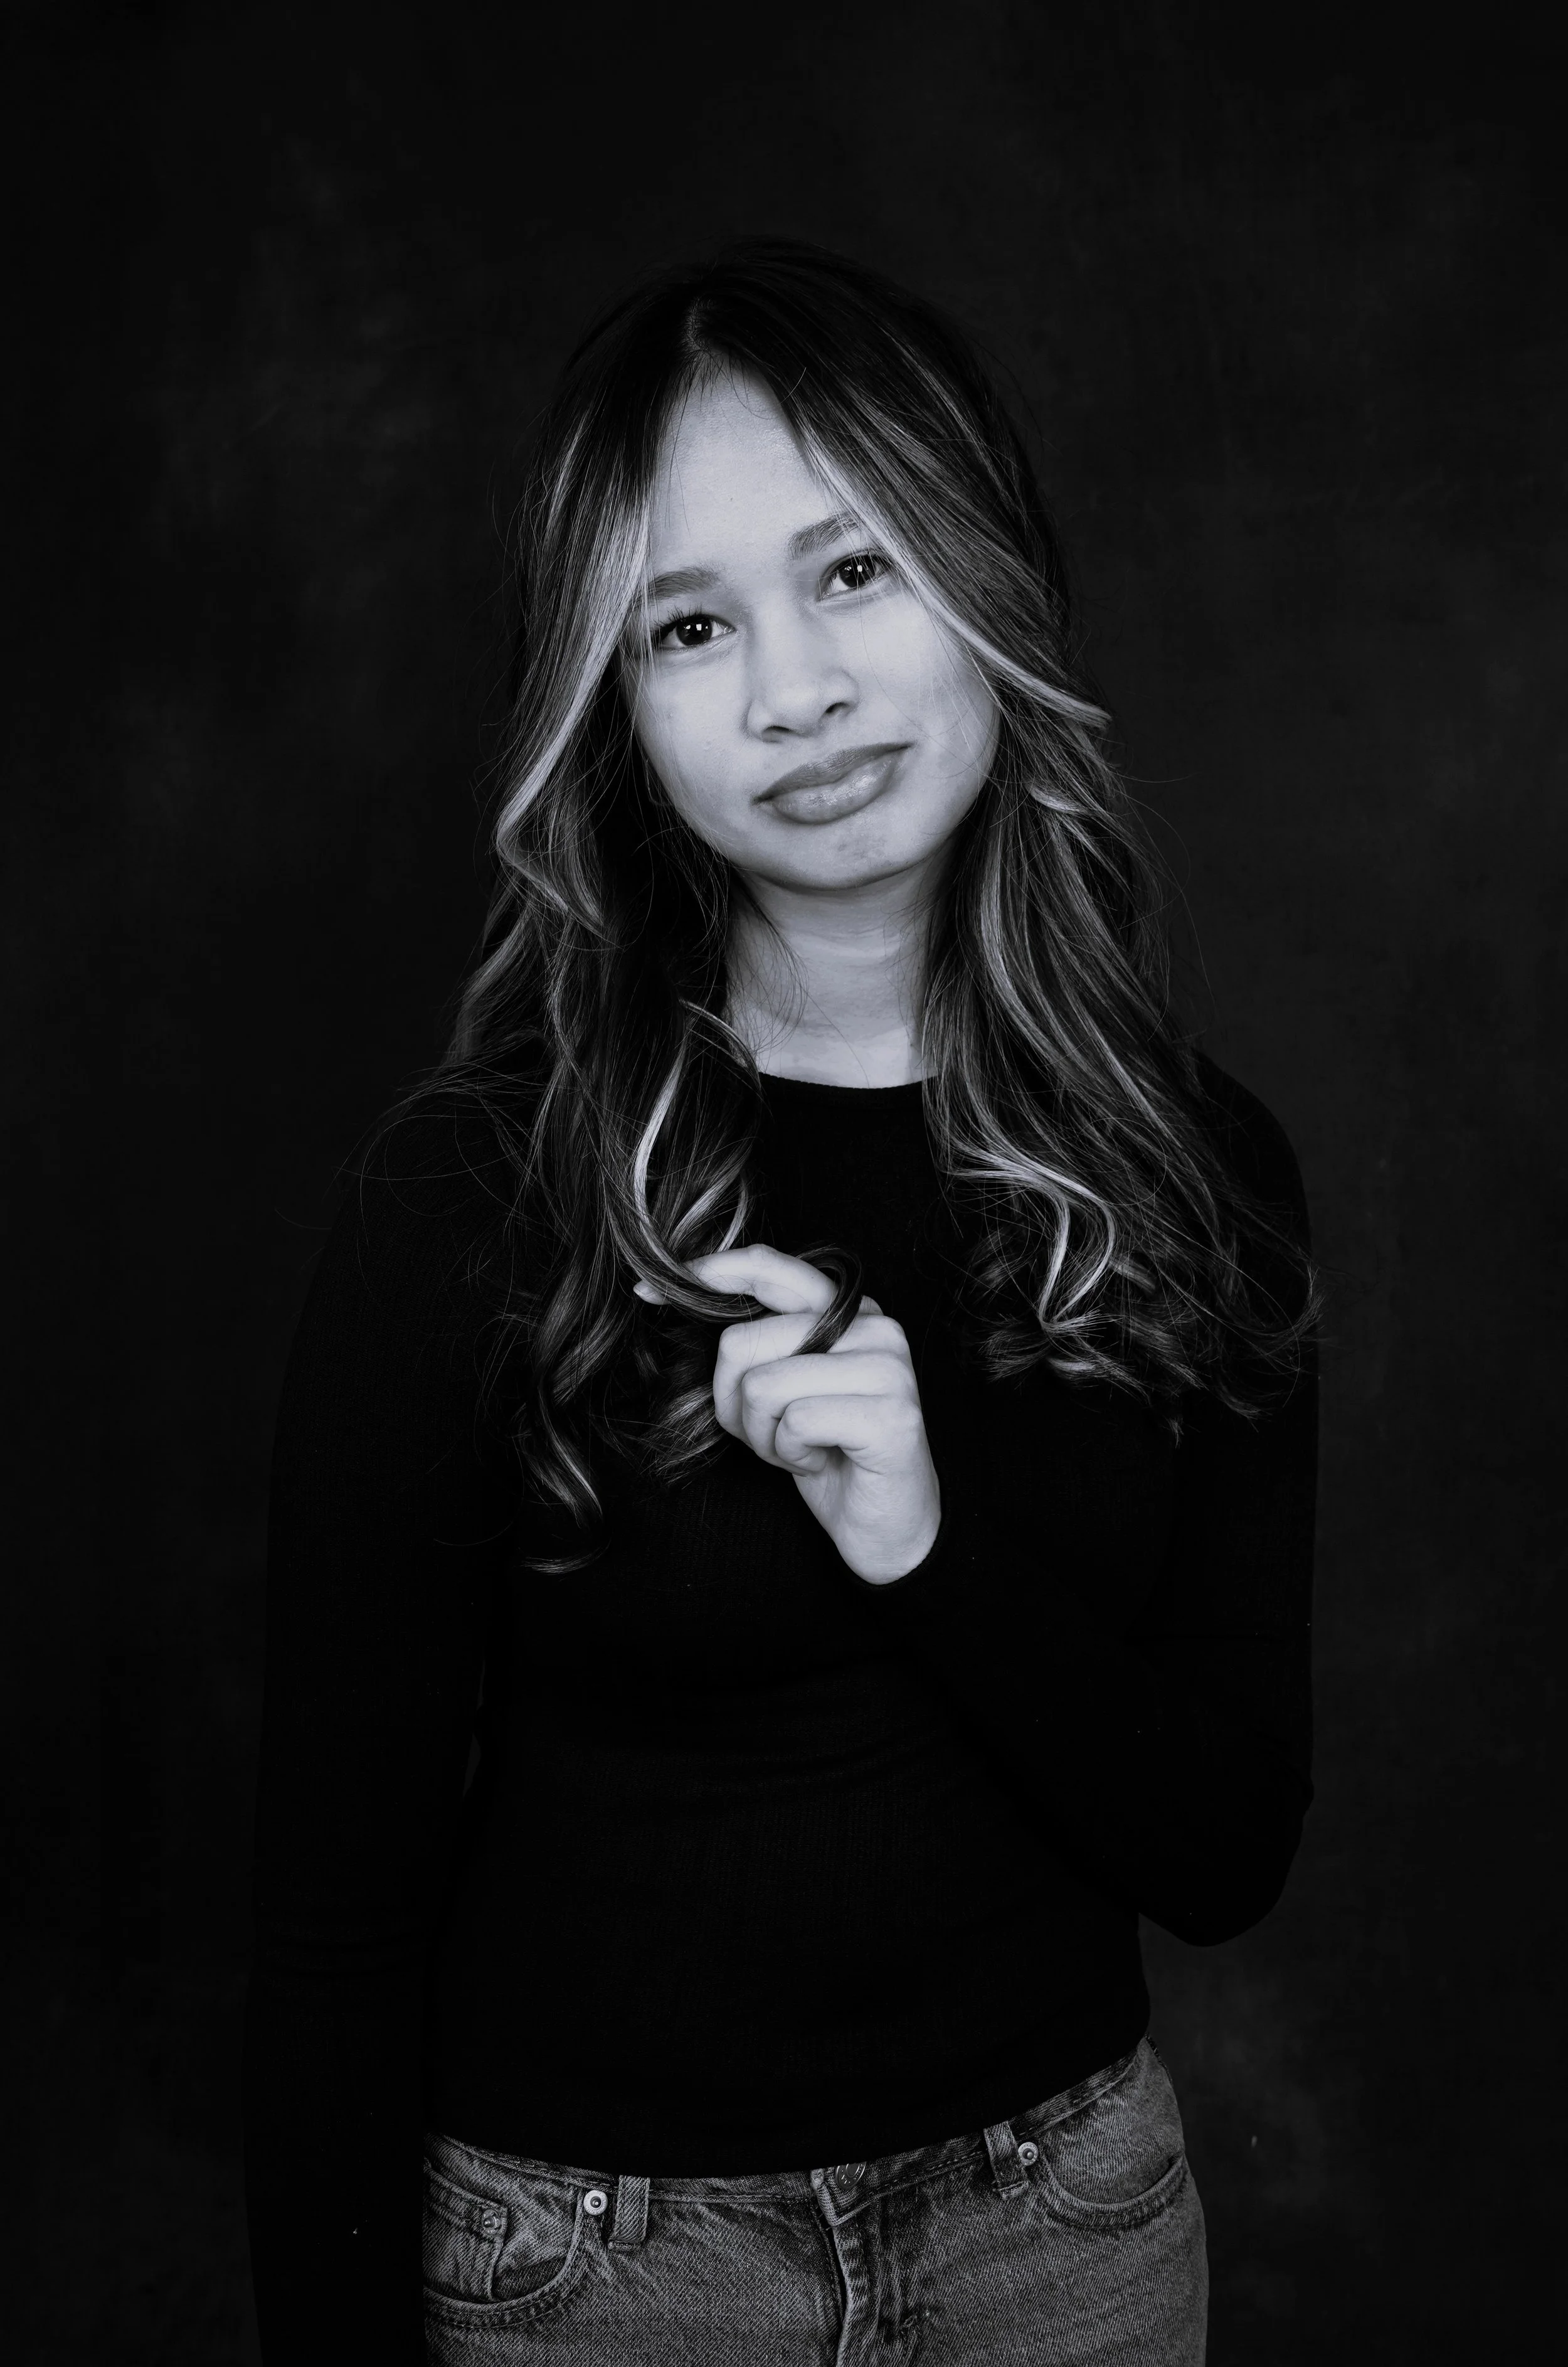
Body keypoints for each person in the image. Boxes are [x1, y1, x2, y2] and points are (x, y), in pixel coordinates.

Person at [243, 238, 1318, 2366]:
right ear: (613, 711)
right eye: (691, 625)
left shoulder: (1196, 1174)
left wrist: (927, 1541)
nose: (793, 694)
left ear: (985, 578)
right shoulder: (477, 1197)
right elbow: (331, 1928)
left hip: (1067, 2245)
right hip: (591, 2275)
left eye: (853, 574)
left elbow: (1217, 1850)